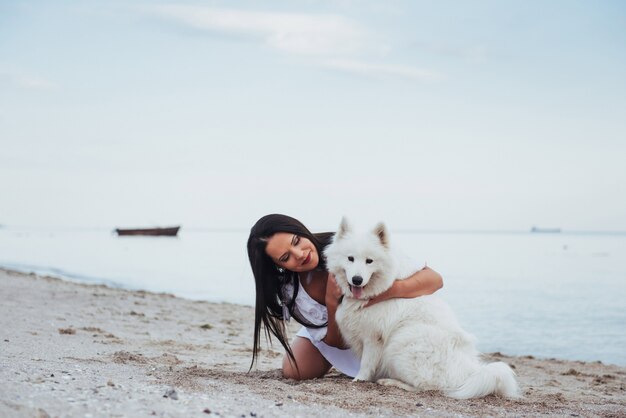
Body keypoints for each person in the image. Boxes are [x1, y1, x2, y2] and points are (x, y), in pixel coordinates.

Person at [247, 214, 443, 380]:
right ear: (278, 266)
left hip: (377, 325)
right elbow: (337, 343)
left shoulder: (351, 244)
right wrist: (331, 302)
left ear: (301, 230)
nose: (299, 254)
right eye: (285, 257)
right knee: (295, 371)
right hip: (327, 329)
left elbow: (434, 280)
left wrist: (385, 293)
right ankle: (315, 336)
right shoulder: (291, 292)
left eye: (296, 241)